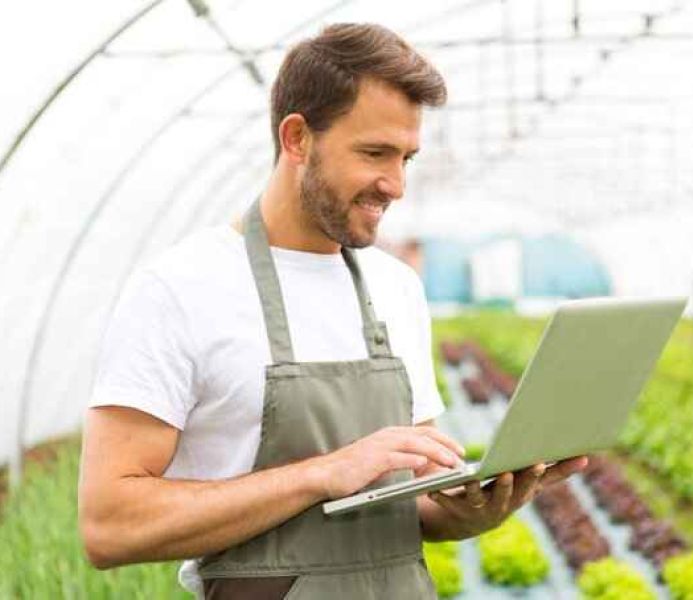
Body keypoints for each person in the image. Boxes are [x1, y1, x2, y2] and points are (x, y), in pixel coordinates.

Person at [78, 23, 587, 599]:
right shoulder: (179, 290)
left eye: (407, 158)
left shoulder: (396, 288)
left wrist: (479, 509)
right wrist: (323, 474)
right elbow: (109, 524)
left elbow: (418, 503)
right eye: (374, 153)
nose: (395, 185)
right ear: (297, 138)